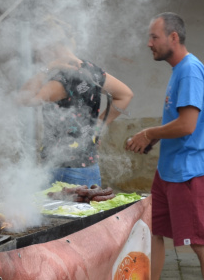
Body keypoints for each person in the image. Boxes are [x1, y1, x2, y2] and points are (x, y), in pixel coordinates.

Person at [126, 12, 204, 280]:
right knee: (154, 232)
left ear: (174, 38)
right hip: (169, 171)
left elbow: (187, 125)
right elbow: (180, 123)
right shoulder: (178, 71)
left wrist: (149, 132)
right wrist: (155, 138)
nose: (149, 43)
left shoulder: (190, 72)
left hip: (190, 172)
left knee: (200, 240)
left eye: (154, 37)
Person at [19, 17, 133, 187]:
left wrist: (48, 67)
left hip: (63, 171)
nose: (37, 56)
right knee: (89, 214)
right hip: (89, 168)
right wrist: (99, 126)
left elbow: (25, 98)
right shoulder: (91, 70)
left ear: (48, 44)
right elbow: (125, 95)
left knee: (58, 214)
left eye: (37, 49)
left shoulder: (61, 79)